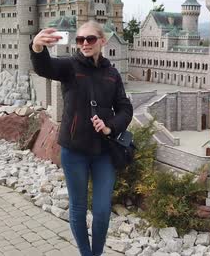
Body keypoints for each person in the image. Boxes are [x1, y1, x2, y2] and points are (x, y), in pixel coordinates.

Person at [30, 20, 133, 256]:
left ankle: (96, 253)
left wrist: (110, 127)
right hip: (74, 151)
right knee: (78, 207)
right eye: (80, 40)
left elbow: (125, 108)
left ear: (102, 41)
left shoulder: (112, 73)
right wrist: (36, 46)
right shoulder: (70, 67)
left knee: (102, 210)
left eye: (90, 39)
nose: (84, 43)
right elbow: (44, 67)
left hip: (104, 152)